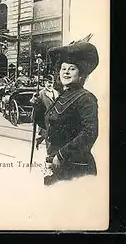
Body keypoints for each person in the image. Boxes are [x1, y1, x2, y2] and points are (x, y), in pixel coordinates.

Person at [36, 41, 99, 186]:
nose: (66, 72)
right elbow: (49, 125)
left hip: (75, 166)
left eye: (72, 69)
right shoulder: (63, 95)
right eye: (63, 68)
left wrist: (62, 155)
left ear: (80, 73)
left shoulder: (86, 98)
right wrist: (38, 107)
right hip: (56, 163)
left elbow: (90, 132)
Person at [30, 74, 60, 149]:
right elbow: (33, 103)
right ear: (45, 83)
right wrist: (35, 98)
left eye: (51, 83)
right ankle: (49, 155)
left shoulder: (56, 93)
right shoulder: (41, 93)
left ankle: (39, 140)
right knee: (48, 138)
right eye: (48, 82)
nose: (50, 84)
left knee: (50, 136)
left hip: (54, 119)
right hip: (44, 119)